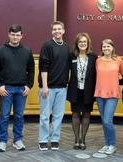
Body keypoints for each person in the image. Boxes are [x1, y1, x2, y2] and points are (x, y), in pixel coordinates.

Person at [0, 24, 35, 152]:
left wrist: (29, 85)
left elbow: (31, 69)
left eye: (18, 35)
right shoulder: (0, 51)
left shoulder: (27, 51)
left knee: (19, 116)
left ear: (21, 36)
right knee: (4, 116)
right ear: (9, 34)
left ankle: (17, 140)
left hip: (22, 89)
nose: (15, 37)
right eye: (13, 34)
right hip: (6, 89)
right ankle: (3, 141)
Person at [38, 21, 70, 151]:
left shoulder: (67, 47)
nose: (57, 31)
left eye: (59, 29)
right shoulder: (47, 45)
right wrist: (45, 86)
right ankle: (43, 140)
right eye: (54, 29)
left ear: (63, 31)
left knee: (58, 115)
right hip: (48, 87)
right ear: (52, 32)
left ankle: (55, 139)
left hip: (62, 87)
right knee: (45, 116)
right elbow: (43, 66)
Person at [67, 33, 97, 150]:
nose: (82, 44)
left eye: (85, 42)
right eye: (80, 42)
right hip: (75, 90)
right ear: (77, 44)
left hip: (88, 91)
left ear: (88, 43)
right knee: (75, 114)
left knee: (86, 114)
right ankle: (76, 140)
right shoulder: (72, 56)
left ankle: (83, 139)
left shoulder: (93, 57)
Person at [94, 39, 123, 155]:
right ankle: (107, 144)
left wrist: (116, 83)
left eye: (108, 46)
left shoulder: (118, 60)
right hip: (100, 94)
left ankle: (112, 144)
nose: (106, 49)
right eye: (104, 47)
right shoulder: (98, 60)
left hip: (112, 94)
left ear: (112, 48)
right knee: (104, 121)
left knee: (107, 120)